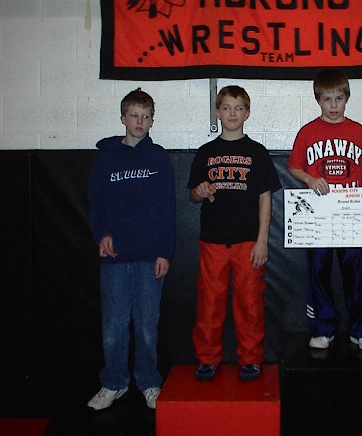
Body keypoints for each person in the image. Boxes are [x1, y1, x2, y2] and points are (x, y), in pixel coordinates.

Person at [87, 88, 176, 410]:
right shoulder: (107, 158)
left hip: (149, 256)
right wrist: (102, 235)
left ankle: (149, 382)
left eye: (146, 116)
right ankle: (113, 383)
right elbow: (96, 204)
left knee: (147, 326)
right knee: (114, 326)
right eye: (134, 115)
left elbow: (168, 209)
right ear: (123, 118)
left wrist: (165, 251)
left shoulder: (159, 158)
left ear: (152, 121)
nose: (139, 121)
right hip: (115, 257)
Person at [188, 85, 281, 382]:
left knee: (249, 305)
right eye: (227, 108)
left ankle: (251, 358)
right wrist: (200, 191)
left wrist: (262, 241)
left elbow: (266, 198)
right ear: (217, 112)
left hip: (248, 242)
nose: (232, 113)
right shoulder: (206, 152)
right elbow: (193, 195)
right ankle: (207, 358)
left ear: (247, 113)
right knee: (209, 304)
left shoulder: (257, 152)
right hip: (213, 241)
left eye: (238, 108)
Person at [287, 69, 362, 351]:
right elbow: (294, 166)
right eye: (327, 99)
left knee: (356, 272)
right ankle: (323, 328)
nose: (333, 105)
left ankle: (361, 330)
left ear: (347, 98)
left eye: (338, 98)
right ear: (318, 100)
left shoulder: (358, 132)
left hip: (351, 211)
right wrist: (309, 178)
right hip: (319, 213)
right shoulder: (308, 132)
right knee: (319, 271)